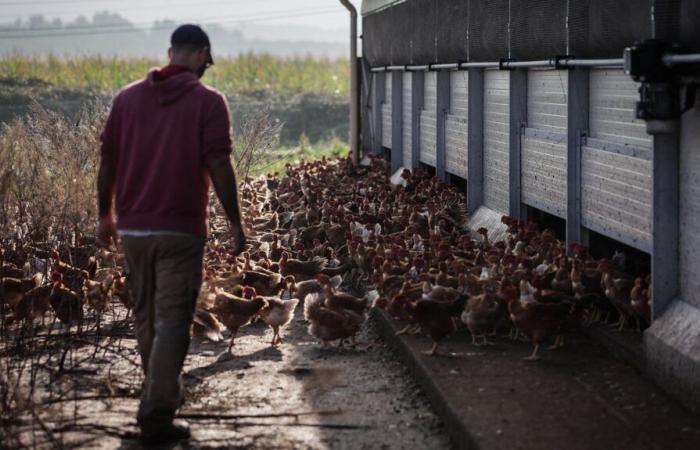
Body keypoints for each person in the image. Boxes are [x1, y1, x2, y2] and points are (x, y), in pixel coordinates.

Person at [95, 24, 247, 445]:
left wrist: (103, 216)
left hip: (134, 229)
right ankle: (157, 412)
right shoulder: (209, 102)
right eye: (206, 62)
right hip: (180, 229)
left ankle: (157, 392)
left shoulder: (126, 99)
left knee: (146, 317)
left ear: (170, 52)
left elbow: (107, 162)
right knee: (174, 320)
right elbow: (219, 166)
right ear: (199, 54)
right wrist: (235, 221)